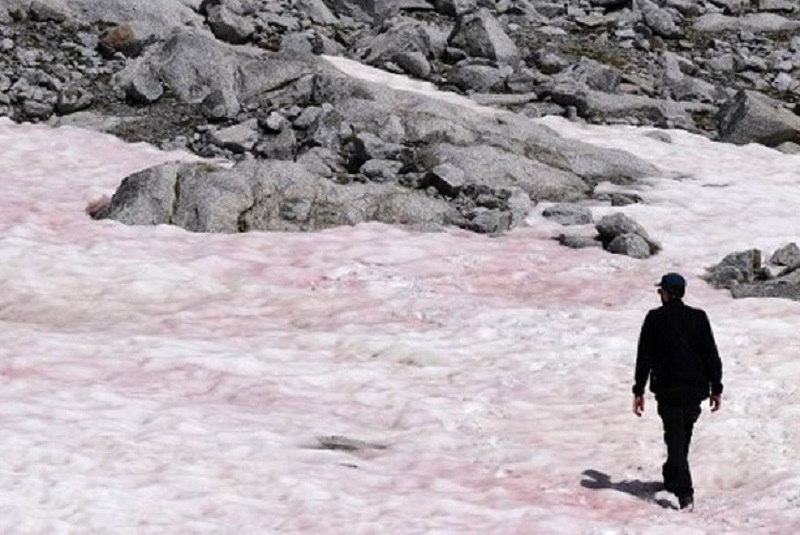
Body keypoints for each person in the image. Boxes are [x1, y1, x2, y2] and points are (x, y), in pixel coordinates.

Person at [632, 272, 723, 511]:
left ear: (666, 293)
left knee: (675, 438)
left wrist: (638, 390)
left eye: (660, 290)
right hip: (695, 389)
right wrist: (716, 388)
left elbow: (644, 357)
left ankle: (685, 493)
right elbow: (711, 355)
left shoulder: (654, 318)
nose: (659, 294)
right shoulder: (698, 317)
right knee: (681, 436)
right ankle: (672, 475)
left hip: (669, 389)